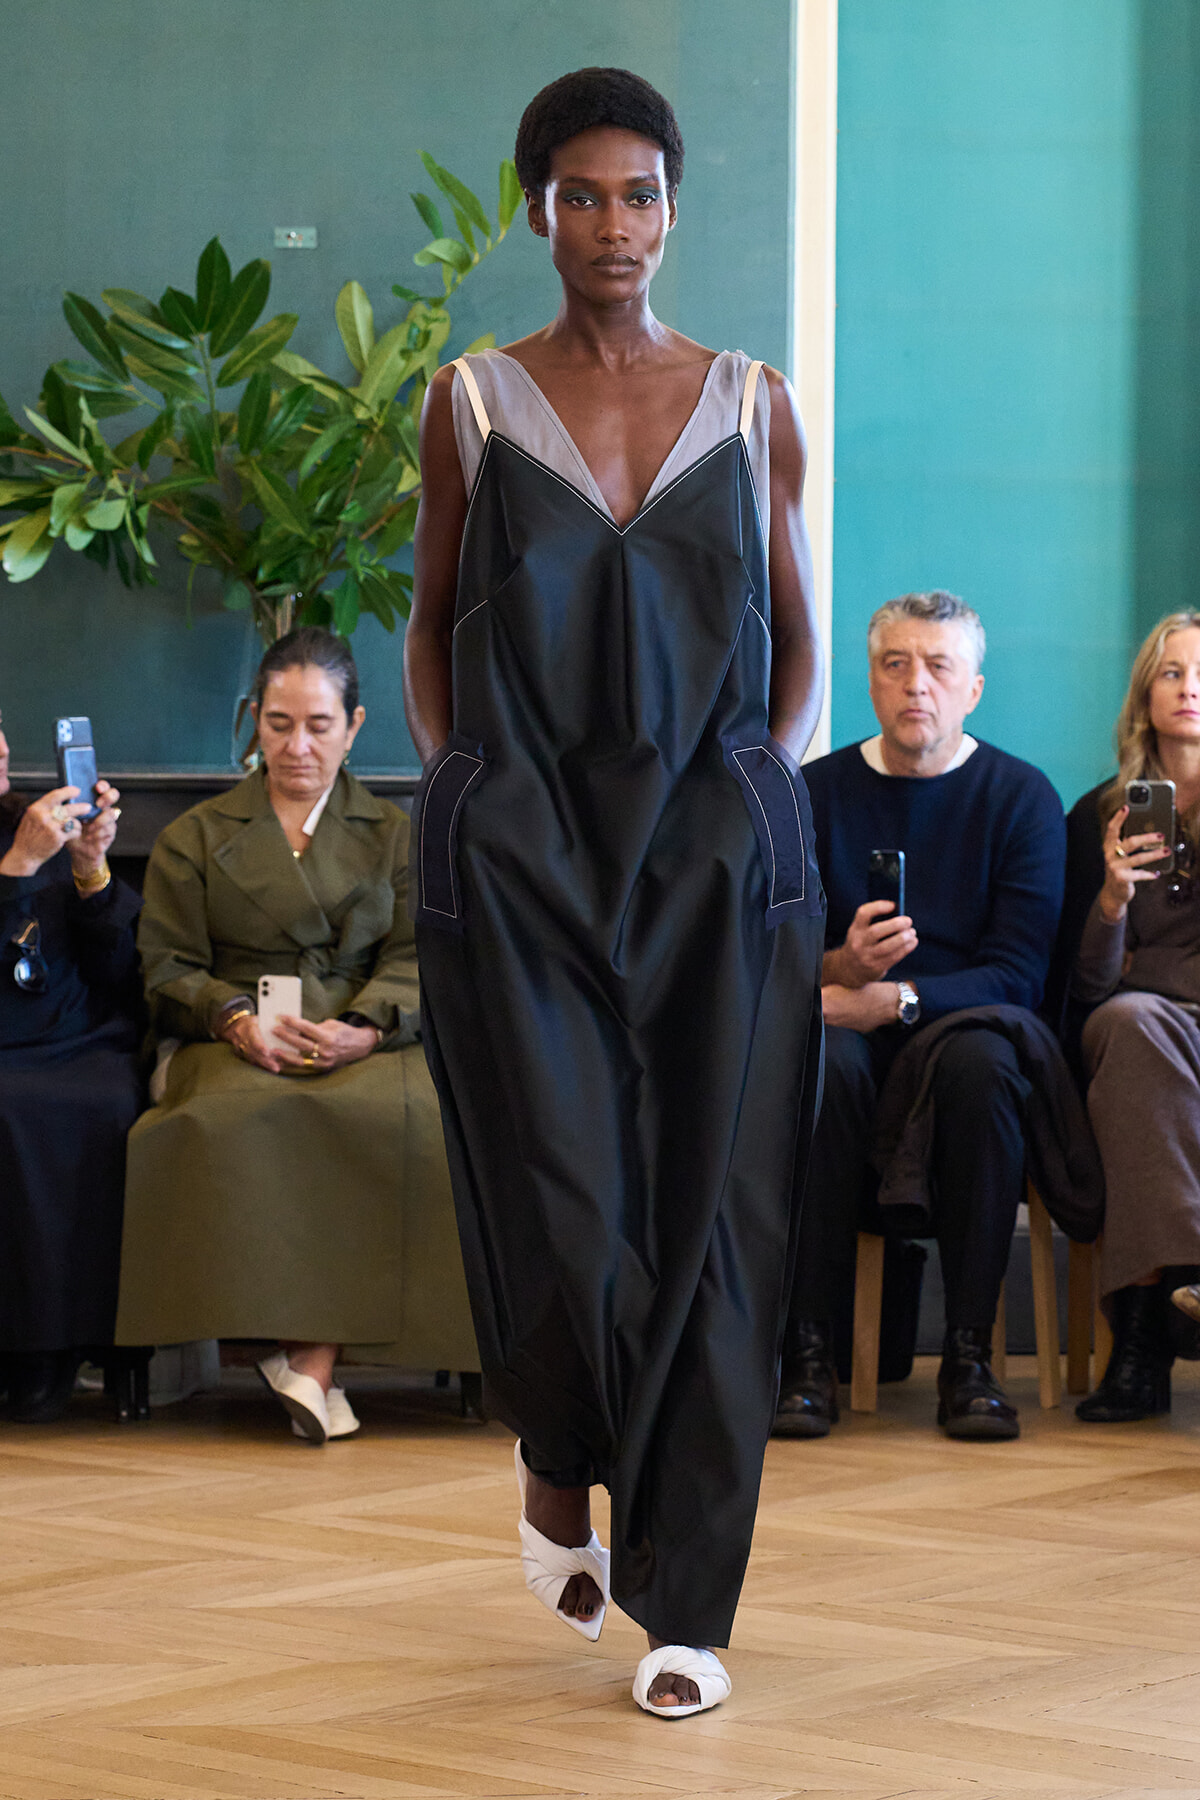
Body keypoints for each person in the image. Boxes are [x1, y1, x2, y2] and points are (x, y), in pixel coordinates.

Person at [404, 67, 825, 1718]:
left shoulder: (754, 399)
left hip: (719, 867)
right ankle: (559, 1452)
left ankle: (687, 1614)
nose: (612, 226)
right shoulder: (471, 405)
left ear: (672, 208)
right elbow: (432, 626)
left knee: (716, 1217)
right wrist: (466, 786)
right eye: (580, 194)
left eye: (638, 194)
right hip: (529, 861)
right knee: (565, 1199)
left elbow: (796, 634)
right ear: (536, 208)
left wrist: (759, 782)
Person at [115, 628, 476, 1440]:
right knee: (224, 1119)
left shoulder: (397, 834)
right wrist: (233, 1019)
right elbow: (168, 964)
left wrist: (362, 1027)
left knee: (404, 1122)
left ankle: (309, 1362)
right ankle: (313, 1363)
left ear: (353, 726)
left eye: (318, 725)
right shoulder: (196, 837)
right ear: (253, 721)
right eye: (279, 724)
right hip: (232, 1041)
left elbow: (424, 957)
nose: (297, 745)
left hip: (368, 1039)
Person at [775, 590, 1067, 1442]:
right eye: (895, 664)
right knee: (818, 1065)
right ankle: (808, 1354)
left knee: (983, 1069)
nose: (917, 686)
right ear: (869, 680)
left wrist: (894, 998)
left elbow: (1020, 975)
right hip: (841, 1033)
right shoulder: (812, 793)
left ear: (972, 688)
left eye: (939, 667)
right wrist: (838, 967)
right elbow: (765, 949)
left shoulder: (1021, 798)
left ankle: (972, 1359)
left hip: (965, 1031)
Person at [1068, 610, 1200, 1421]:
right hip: (1143, 1023)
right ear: (1144, 694)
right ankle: (1166, 1305)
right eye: (1172, 673)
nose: (1190, 690)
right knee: (1130, 1023)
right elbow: (1084, 984)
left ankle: (1147, 1333)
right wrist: (1113, 895)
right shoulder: (1102, 812)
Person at [0, 710, 143, 1423]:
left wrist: (88, 871)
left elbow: (114, 967)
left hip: (76, 1038)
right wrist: (17, 873)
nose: (0, 753)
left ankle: (84, 1347)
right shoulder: (27, 843)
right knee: (16, 1111)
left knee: (108, 1104)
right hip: (9, 1049)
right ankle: (24, 1350)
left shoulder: (35, 821)